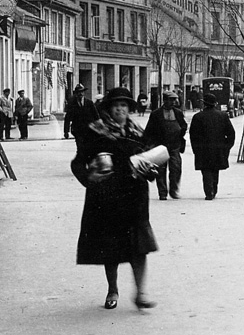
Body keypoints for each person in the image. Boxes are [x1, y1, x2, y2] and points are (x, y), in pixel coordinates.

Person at [74, 87, 160, 310]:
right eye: (116, 106)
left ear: (129, 109)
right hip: (106, 199)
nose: (120, 109)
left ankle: (140, 293)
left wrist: (151, 170)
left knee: (139, 247)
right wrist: (89, 177)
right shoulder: (95, 132)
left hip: (135, 199)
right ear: (109, 110)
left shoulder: (138, 133)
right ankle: (112, 289)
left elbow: (152, 160)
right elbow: (77, 163)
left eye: (124, 105)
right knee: (110, 248)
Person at [188, 94, 235, 200]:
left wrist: (195, 149)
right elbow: (231, 133)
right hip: (218, 148)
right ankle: (214, 189)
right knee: (215, 170)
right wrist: (226, 147)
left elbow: (193, 135)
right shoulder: (223, 116)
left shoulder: (198, 117)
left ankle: (209, 192)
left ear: (204, 103)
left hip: (202, 149)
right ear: (215, 103)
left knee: (206, 171)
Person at [143, 92, 188, 200]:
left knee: (176, 168)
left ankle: (174, 190)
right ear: (165, 100)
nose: (174, 102)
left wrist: (180, 133)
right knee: (160, 171)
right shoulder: (156, 114)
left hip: (175, 146)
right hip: (160, 146)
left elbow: (184, 125)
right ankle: (162, 193)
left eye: (174, 100)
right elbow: (149, 130)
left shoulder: (178, 113)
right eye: (171, 100)